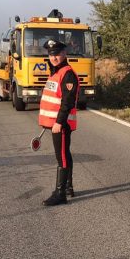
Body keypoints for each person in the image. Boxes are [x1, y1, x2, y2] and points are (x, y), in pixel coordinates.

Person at [38, 39, 80, 206]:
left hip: (61, 125)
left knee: (61, 157)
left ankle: (60, 193)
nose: (54, 57)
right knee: (65, 154)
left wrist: (59, 122)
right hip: (56, 123)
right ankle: (68, 186)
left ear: (64, 54)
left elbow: (67, 102)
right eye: (51, 54)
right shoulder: (55, 72)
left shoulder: (67, 74)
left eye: (57, 54)